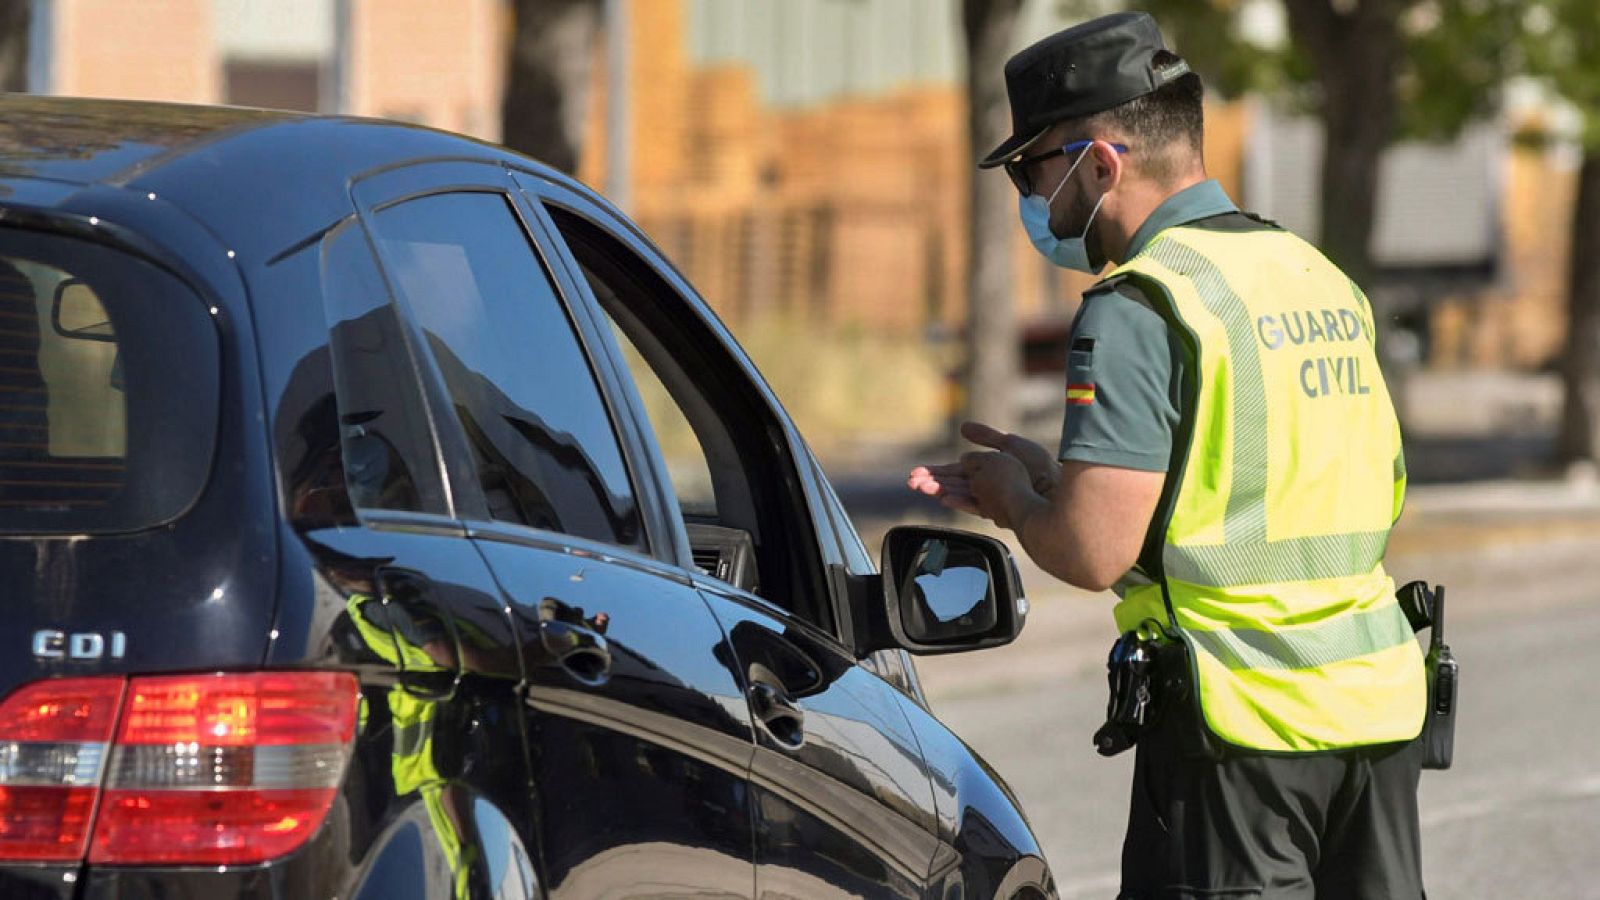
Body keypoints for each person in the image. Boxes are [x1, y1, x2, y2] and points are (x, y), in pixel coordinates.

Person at [908, 12, 1427, 899]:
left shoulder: (1142, 303)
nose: (1032, 199)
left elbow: (1091, 550)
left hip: (1239, 738)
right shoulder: (1313, 273)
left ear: (1100, 163)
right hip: (1378, 717)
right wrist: (1052, 474)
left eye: (1035, 169)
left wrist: (1015, 500)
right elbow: (1276, 492)